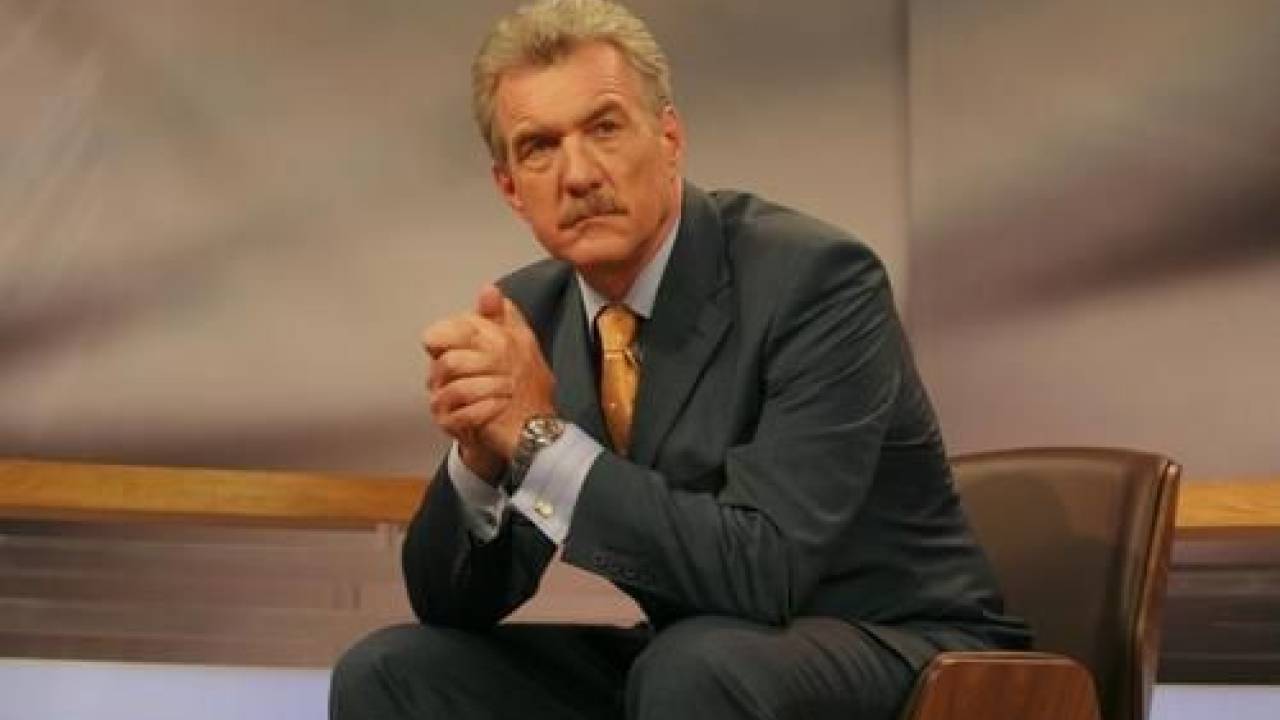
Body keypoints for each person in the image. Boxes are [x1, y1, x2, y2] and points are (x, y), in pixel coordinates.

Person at [330, 1, 1030, 718]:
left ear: (669, 138)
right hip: (701, 659)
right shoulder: (530, 316)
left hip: (908, 653)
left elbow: (766, 570)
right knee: (393, 672)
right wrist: (481, 459)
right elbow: (451, 605)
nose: (578, 174)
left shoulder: (817, 281)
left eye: (604, 128)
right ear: (510, 188)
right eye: (539, 147)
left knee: (694, 666)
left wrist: (539, 441)